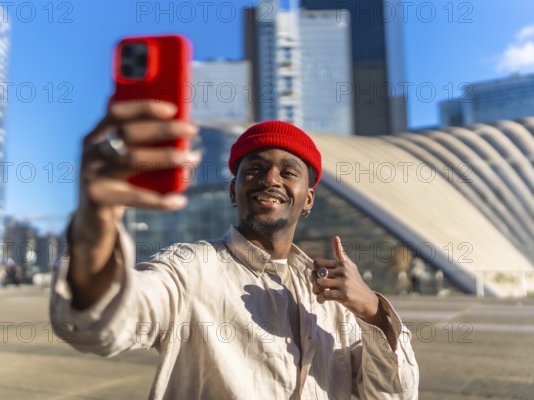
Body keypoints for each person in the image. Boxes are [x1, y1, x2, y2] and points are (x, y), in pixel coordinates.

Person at [50, 100, 419, 399]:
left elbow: (392, 396)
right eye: (254, 169)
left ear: (307, 200)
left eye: (288, 171)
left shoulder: (338, 301)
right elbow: (99, 323)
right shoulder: (189, 268)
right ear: (233, 191)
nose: (270, 179)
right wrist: (95, 225)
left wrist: (371, 311)